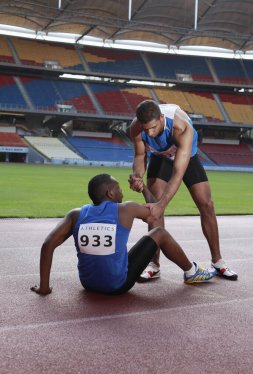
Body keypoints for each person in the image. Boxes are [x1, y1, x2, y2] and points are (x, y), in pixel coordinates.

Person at [31, 174, 216, 296]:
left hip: (87, 284)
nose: (122, 191)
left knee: (118, 253)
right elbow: (156, 210)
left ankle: (46, 287)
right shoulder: (127, 209)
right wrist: (143, 188)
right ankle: (191, 272)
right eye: (118, 188)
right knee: (159, 233)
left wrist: (45, 288)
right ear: (110, 193)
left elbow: (48, 245)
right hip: (118, 285)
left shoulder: (75, 214)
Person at [129, 100, 238, 282]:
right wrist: (137, 176)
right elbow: (140, 156)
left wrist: (162, 205)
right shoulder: (136, 128)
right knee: (153, 207)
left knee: (206, 203)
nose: (150, 133)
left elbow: (178, 173)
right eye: (146, 129)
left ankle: (217, 261)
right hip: (160, 156)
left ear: (162, 118)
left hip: (185, 155)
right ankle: (154, 265)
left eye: (154, 128)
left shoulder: (181, 127)